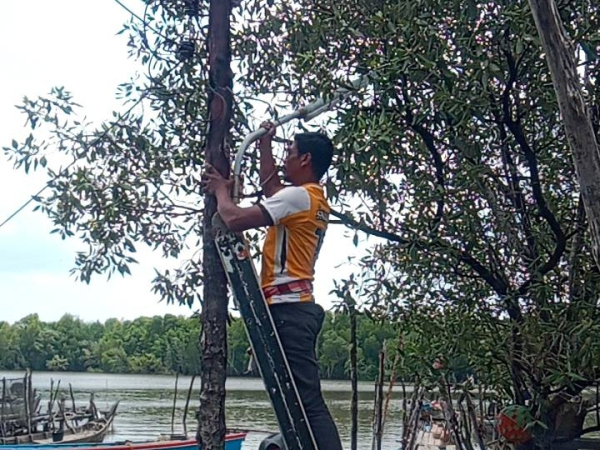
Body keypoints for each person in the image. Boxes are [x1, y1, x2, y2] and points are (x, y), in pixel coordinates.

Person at [202, 121, 343, 450]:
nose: (284, 158)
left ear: (306, 159)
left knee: (308, 401)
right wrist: (264, 146)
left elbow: (234, 218)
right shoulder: (311, 198)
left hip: (289, 310)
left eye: (289, 152)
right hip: (296, 307)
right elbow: (272, 190)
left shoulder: (298, 197)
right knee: (304, 398)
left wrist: (221, 189)